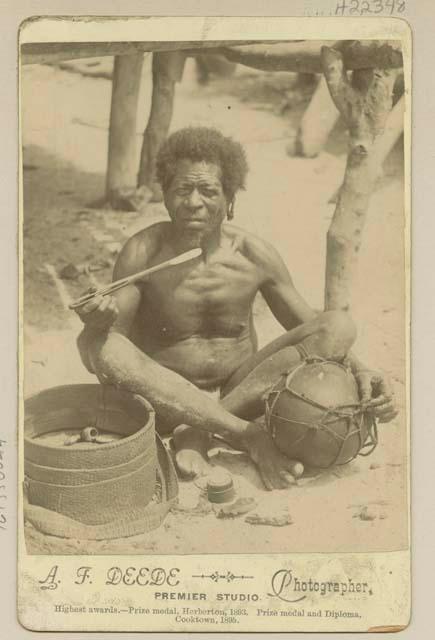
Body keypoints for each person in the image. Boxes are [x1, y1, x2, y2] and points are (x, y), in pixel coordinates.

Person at [76, 127, 397, 490]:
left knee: (339, 325)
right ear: (165, 196)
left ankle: (200, 428)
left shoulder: (253, 255)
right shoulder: (143, 253)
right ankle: (247, 437)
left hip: (242, 392)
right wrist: (96, 325)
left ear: (230, 198)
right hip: (166, 399)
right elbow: (101, 357)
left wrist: (364, 371)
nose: (194, 202)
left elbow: (317, 331)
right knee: (105, 345)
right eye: (182, 189)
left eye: (209, 190)